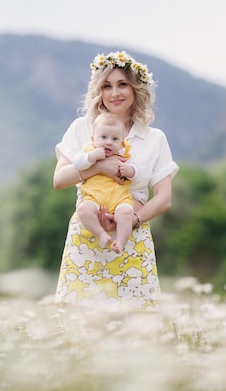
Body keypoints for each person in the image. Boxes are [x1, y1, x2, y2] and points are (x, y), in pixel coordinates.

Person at [53, 50, 179, 312]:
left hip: (131, 236)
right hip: (88, 235)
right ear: (98, 91)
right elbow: (59, 179)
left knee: (136, 324)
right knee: (79, 322)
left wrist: (134, 220)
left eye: (122, 84)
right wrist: (100, 166)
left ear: (136, 89)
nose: (114, 93)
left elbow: (164, 199)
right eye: (107, 86)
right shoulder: (82, 128)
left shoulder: (154, 138)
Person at [73, 113, 138, 254]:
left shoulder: (124, 155)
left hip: (119, 199)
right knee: (83, 210)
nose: (108, 142)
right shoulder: (89, 150)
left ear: (122, 142)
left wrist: (130, 170)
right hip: (94, 197)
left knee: (127, 213)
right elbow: (77, 163)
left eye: (114, 139)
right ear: (93, 139)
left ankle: (120, 242)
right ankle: (101, 233)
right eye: (103, 137)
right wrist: (92, 157)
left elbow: (139, 172)